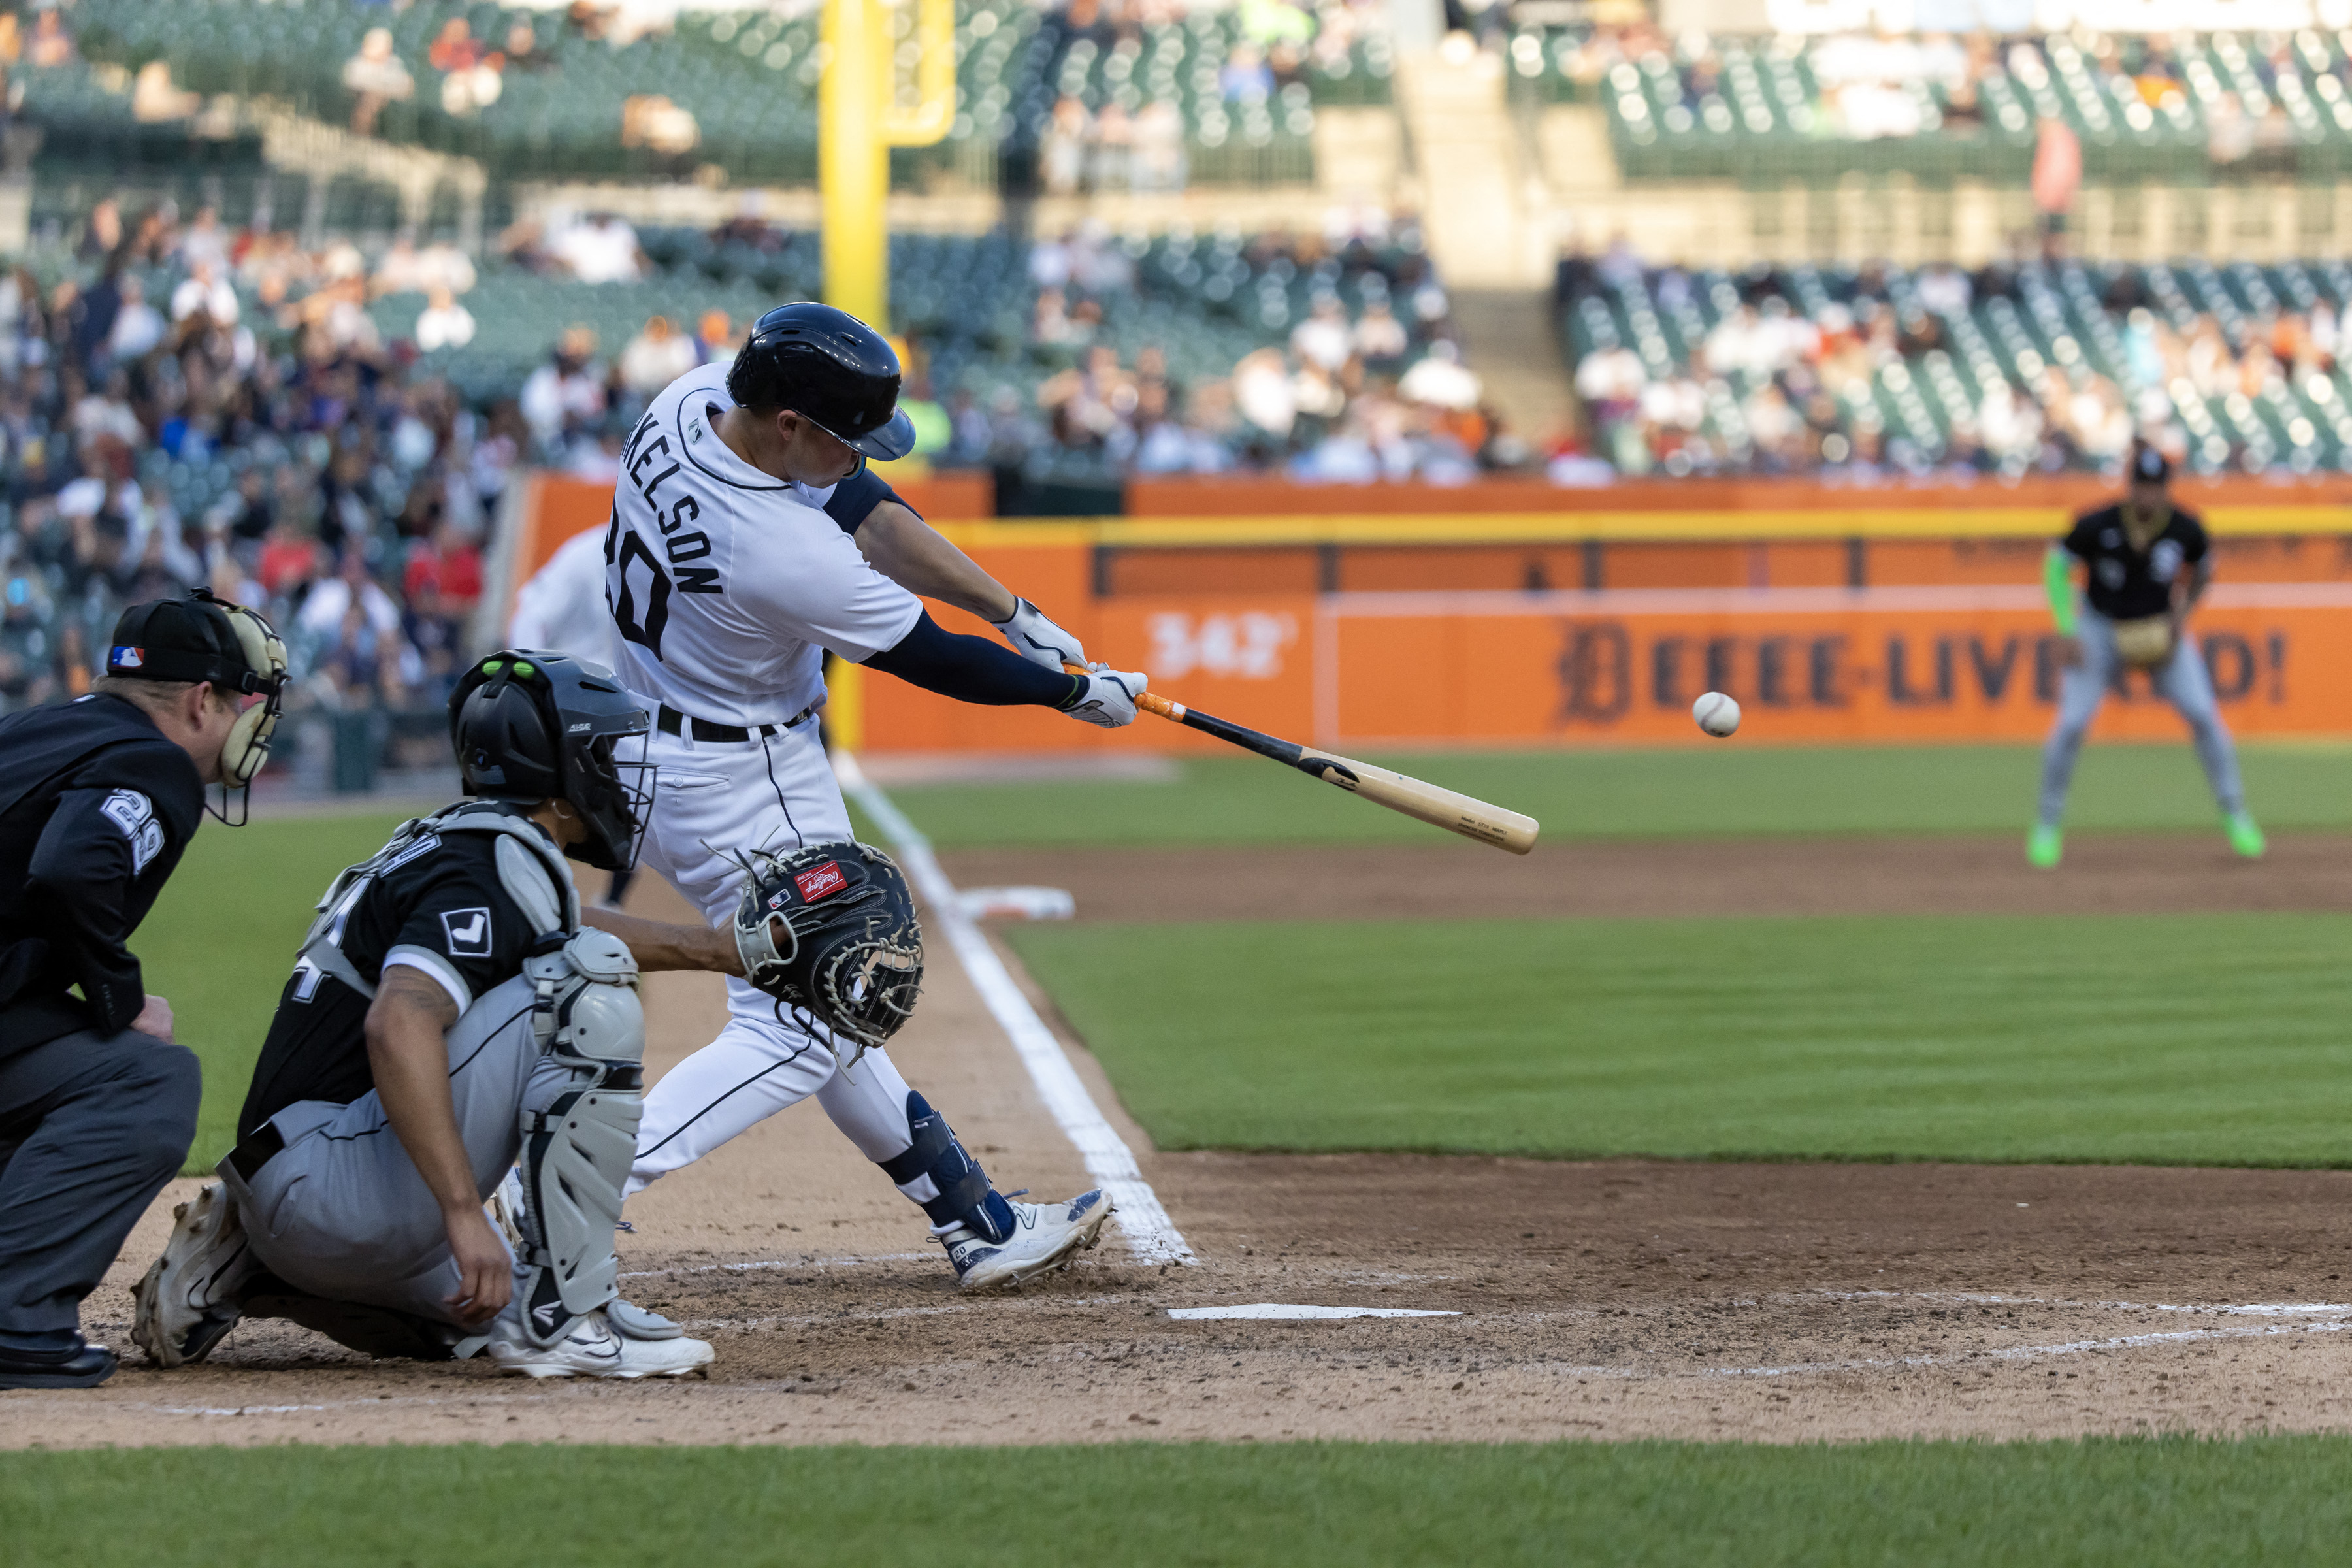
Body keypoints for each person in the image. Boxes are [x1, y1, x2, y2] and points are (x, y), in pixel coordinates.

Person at [604, 302, 1141, 1290]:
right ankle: (557, 1195)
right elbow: (932, 660)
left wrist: (1012, 610)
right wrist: (1074, 692)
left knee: (832, 986)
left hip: (668, 743)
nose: (856, 459)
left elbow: (864, 508)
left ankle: (970, 1216)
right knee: (806, 1021)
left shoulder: (689, 403)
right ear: (789, 427)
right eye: (841, 440)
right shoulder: (774, 547)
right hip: (737, 777)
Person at [132, 651, 731, 1378]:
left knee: (482, 1318)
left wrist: (721, 950)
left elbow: (569, 921)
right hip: (337, 1187)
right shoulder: (490, 865)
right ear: (557, 768)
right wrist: (460, 1210)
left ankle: (254, 1269)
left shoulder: (462, 845)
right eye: (600, 751)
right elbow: (399, 1020)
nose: (614, 770)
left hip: (307, 1187)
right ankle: (570, 1315)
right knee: (585, 989)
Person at [0, 590, 287, 1388]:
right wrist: (121, 1001)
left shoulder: (34, 730)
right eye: (240, 706)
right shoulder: (152, 760)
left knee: (47, 1057)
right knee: (148, 1081)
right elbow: (72, 866)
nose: (243, 726)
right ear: (202, 702)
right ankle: (12, 1322)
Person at [2029, 444, 2263, 867]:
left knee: (2203, 715)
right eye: (2142, 486)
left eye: (2156, 487)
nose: (2148, 496)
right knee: (2071, 724)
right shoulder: (2096, 523)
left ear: (2166, 489)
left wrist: (2182, 618)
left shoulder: (2185, 528)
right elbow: (2055, 566)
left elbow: (2204, 572)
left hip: (2159, 633)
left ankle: (2236, 813)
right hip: (2100, 629)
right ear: (2130, 486)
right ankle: (2048, 823)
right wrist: (2066, 627)